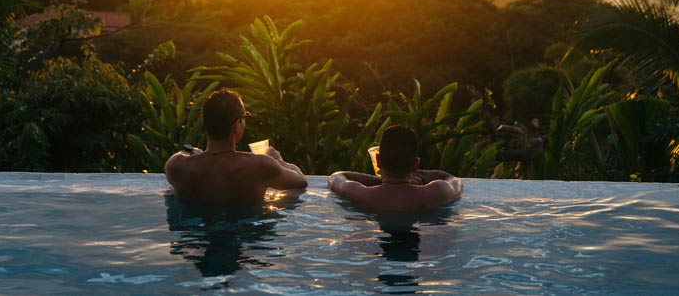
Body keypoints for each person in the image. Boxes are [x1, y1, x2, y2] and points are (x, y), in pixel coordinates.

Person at [164, 89, 308, 203]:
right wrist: (278, 159)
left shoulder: (177, 166)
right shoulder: (260, 165)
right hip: (243, 234)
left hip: (196, 237)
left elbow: (181, 155)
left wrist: (194, 153)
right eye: (244, 118)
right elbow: (300, 181)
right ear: (236, 125)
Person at [328, 125, 462, 213]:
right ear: (416, 164)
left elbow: (336, 177)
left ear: (378, 161)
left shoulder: (361, 194)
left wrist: (376, 181)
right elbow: (454, 180)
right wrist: (421, 175)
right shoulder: (435, 192)